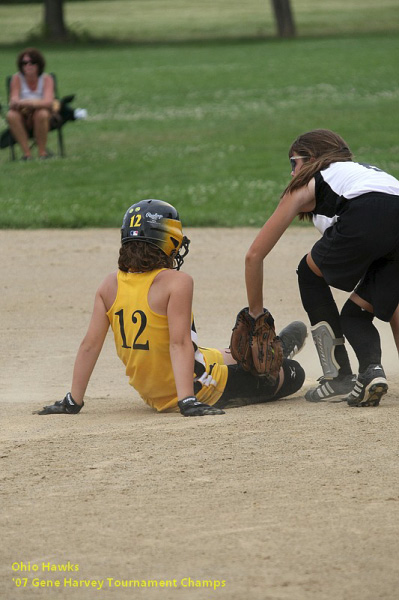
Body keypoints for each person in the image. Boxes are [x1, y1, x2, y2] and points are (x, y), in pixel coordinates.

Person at [35, 199, 306, 417]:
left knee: (225, 354)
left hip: (152, 391)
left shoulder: (109, 285)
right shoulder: (178, 282)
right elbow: (178, 344)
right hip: (195, 389)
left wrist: (73, 400)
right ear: (168, 241)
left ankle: (267, 349)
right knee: (293, 373)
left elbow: (89, 346)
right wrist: (187, 400)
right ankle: (279, 353)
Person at [245, 129, 399, 407]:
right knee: (357, 312)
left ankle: (337, 376)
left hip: (364, 213)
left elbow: (254, 255)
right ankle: (371, 373)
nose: (293, 173)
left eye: (294, 163)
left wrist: (256, 316)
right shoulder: (362, 175)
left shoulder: (312, 180)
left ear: (312, 158)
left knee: (308, 271)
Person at [7, 47, 55, 160]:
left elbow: (48, 102)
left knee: (41, 113)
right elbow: (14, 99)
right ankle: (27, 154)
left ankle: (42, 153)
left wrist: (31, 104)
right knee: (11, 115)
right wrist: (18, 103)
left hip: (42, 115)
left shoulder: (46, 79)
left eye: (32, 62)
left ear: (39, 64)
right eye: (24, 63)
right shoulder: (16, 78)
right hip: (22, 114)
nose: (28, 65)